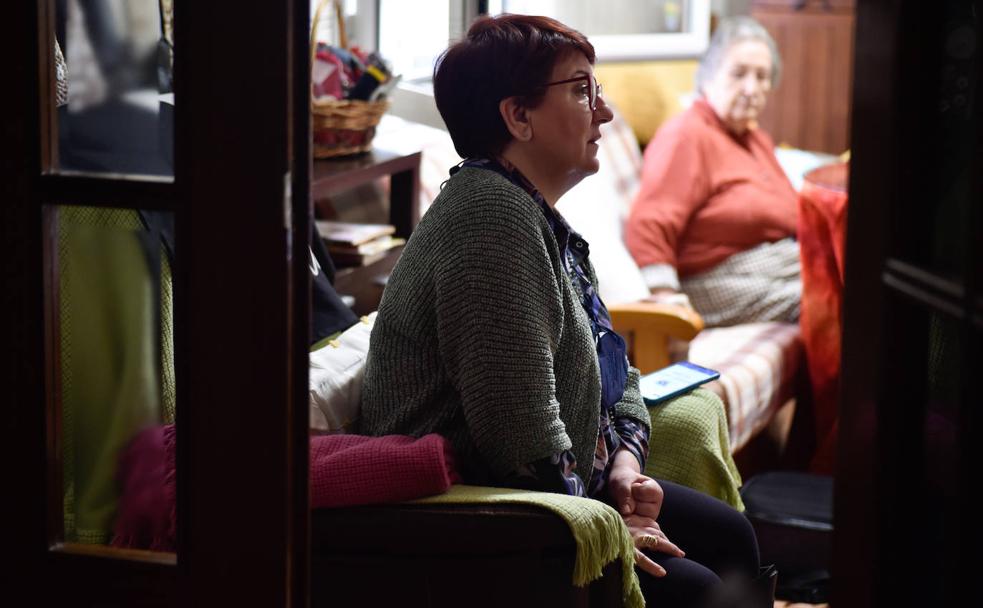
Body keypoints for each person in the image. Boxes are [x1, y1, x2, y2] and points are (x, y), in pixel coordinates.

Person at [359, 14, 769, 607]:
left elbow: (617, 374)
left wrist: (624, 469)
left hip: (562, 491)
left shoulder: (540, 220)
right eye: (581, 91)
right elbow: (519, 443)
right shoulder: (489, 218)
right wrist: (608, 525)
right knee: (699, 590)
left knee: (730, 538)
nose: (605, 112)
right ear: (517, 116)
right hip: (475, 520)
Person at [625, 16, 800, 328]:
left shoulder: (753, 137)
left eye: (762, 76)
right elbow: (650, 223)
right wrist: (666, 307)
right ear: (708, 76)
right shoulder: (687, 135)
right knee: (822, 297)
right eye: (739, 74)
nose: (751, 88)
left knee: (844, 275)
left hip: (771, 264)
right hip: (713, 278)